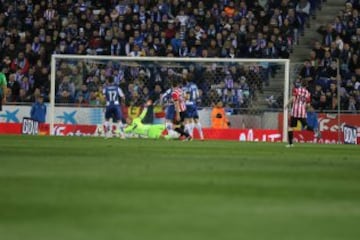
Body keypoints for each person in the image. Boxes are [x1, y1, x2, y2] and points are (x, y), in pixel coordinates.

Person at [285, 79, 317, 147]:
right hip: (302, 112)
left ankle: (290, 144)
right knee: (305, 126)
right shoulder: (308, 93)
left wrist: (287, 105)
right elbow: (308, 105)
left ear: (301, 84)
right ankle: (314, 130)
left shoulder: (296, 90)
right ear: (307, 85)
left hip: (295, 112)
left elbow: (293, 98)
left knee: (290, 127)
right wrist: (304, 108)